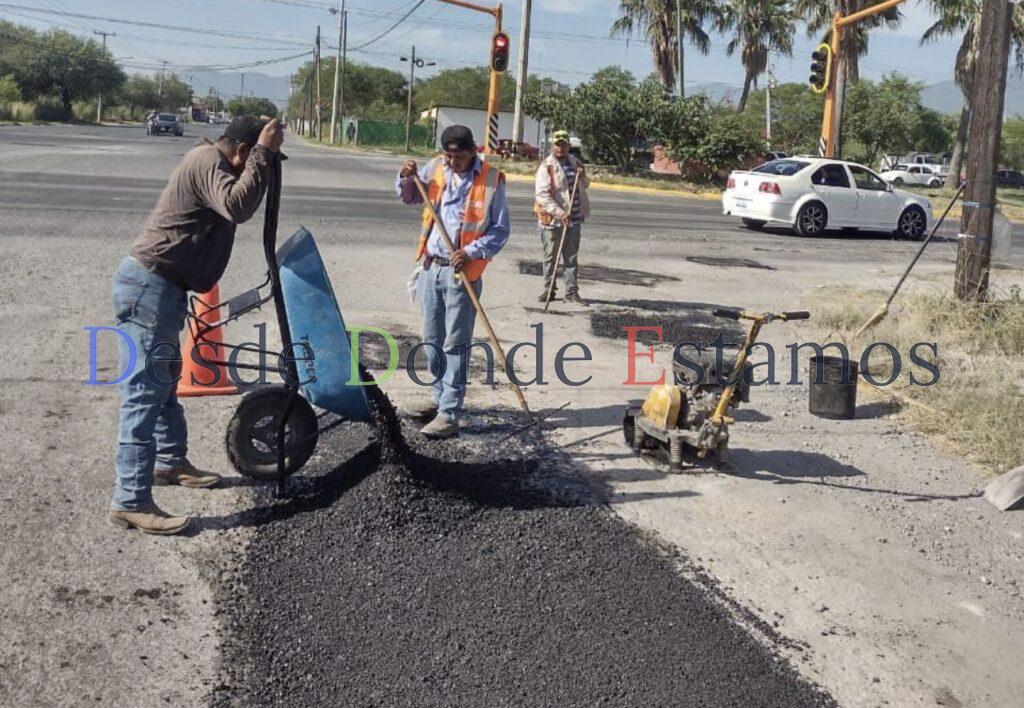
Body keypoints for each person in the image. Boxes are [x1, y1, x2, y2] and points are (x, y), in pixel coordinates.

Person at [108, 115, 284, 535]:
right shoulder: (208, 159)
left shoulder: (217, 162)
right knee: (144, 396)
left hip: (163, 289)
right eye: (254, 158)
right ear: (241, 151)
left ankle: (170, 462)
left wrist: (263, 156)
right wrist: (264, 153)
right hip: (149, 287)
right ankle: (129, 500)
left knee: (165, 384)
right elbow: (239, 206)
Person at [395, 125, 510, 439]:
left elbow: (500, 231)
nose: (451, 161)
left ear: (472, 151)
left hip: (463, 274)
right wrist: (406, 177)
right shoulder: (435, 167)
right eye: (448, 154)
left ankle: (449, 413)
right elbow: (408, 197)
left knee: (455, 345)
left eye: (457, 156)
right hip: (432, 267)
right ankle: (436, 397)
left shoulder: (490, 180)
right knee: (432, 339)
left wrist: (470, 252)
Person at [534, 130, 590, 304]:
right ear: (552, 146)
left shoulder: (575, 163)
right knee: (551, 256)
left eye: (564, 144)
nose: (560, 148)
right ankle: (549, 289)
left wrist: (583, 175)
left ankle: (571, 292)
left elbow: (585, 185)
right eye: (557, 144)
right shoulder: (546, 166)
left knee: (571, 257)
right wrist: (560, 213)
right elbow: (542, 195)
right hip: (552, 220)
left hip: (573, 218)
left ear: (568, 146)